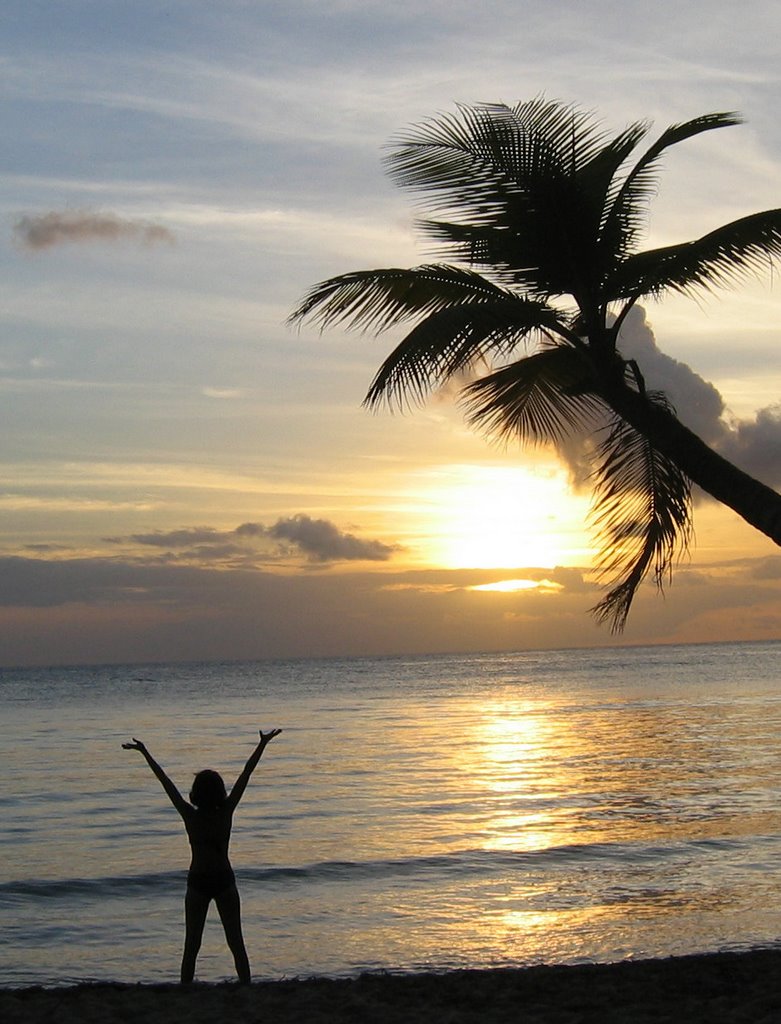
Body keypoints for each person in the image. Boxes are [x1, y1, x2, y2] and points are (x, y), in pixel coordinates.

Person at [122, 729, 282, 984]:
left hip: (199, 881)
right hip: (222, 880)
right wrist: (262, 745)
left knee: (192, 946)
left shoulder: (191, 815)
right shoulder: (225, 811)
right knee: (235, 943)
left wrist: (145, 753)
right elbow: (245, 775)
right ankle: (246, 988)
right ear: (219, 791)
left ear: (197, 792)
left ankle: (187, 990)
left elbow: (166, 784)